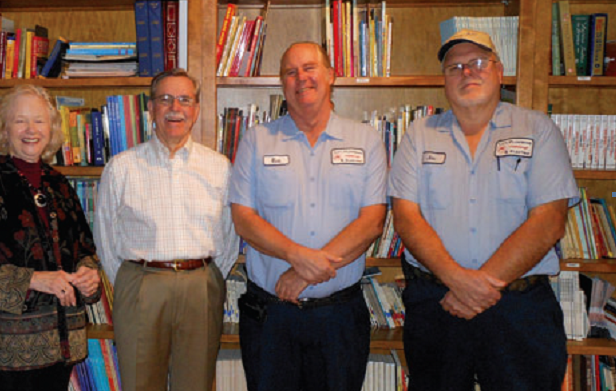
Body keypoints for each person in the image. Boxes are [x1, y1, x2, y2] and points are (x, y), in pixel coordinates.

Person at [387, 29, 580, 391]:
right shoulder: (418, 134)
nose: (467, 73)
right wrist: (459, 282)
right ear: (444, 80)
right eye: (454, 67)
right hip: (438, 304)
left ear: (499, 71)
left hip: (519, 308)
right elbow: (406, 218)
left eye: (477, 63)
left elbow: (549, 221)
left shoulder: (538, 129)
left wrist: (477, 287)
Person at [229, 41, 387, 391]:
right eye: (290, 72)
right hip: (271, 317)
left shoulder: (367, 139)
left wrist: (303, 276)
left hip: (340, 318)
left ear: (331, 75)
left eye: (310, 67)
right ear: (282, 84)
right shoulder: (257, 140)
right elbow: (243, 219)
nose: (301, 78)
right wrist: (298, 258)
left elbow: (372, 222)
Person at [0, 84, 102, 391]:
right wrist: (34, 279)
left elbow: (84, 249)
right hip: (7, 353)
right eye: (20, 120)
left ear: (52, 128)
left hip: (61, 347)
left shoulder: (60, 185)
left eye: (39, 120)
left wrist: (89, 276)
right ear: (5, 128)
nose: (31, 130)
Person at [94, 68, 239, 391]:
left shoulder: (219, 167)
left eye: (185, 99)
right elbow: (105, 237)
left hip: (200, 286)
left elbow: (230, 235)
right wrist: (136, 281)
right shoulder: (122, 167)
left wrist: (208, 277)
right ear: (151, 108)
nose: (175, 107)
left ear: (196, 109)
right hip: (142, 285)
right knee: (141, 383)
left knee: (196, 383)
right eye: (165, 99)